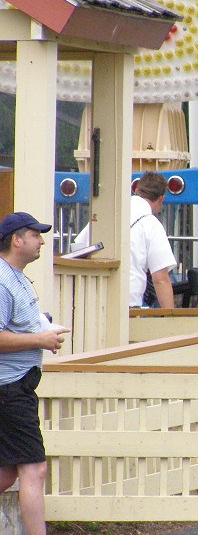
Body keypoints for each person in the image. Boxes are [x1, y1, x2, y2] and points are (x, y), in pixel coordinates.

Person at [0, 212, 69, 535]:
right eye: (35, 234)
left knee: (6, 472)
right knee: (34, 468)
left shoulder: (17, 277)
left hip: (18, 387)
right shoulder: (2, 281)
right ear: (16, 239)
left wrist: (42, 326)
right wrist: (40, 339)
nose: (41, 240)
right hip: (9, 389)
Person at [75, 172, 177, 308]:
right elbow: (161, 279)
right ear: (161, 199)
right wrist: (170, 319)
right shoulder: (151, 224)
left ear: (136, 190)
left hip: (92, 298)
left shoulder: (108, 213)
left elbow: (77, 249)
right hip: (128, 300)